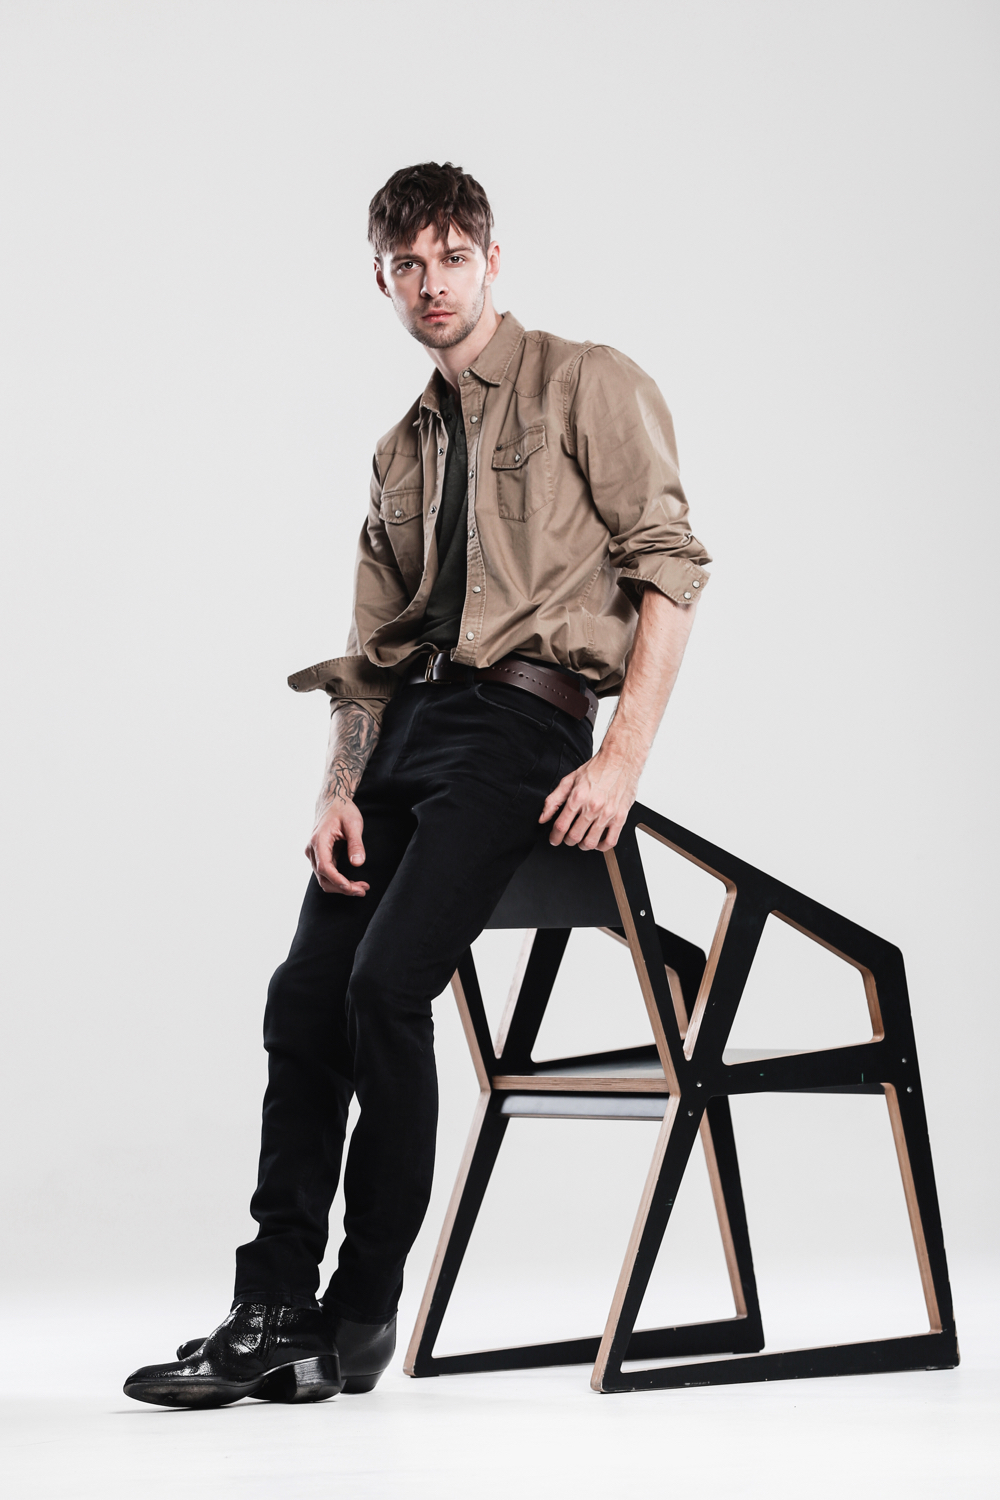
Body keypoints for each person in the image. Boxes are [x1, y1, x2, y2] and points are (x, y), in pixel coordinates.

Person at [124, 161, 711, 1409]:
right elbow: (370, 650)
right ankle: (270, 1310)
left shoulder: (586, 381)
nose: (431, 283)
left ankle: (358, 1312)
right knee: (303, 997)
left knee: (386, 988)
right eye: (407, 265)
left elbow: (671, 567)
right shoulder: (401, 448)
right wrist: (337, 787)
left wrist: (620, 759)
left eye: (451, 258)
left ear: (492, 260)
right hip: (408, 736)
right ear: (381, 280)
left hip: (523, 723)